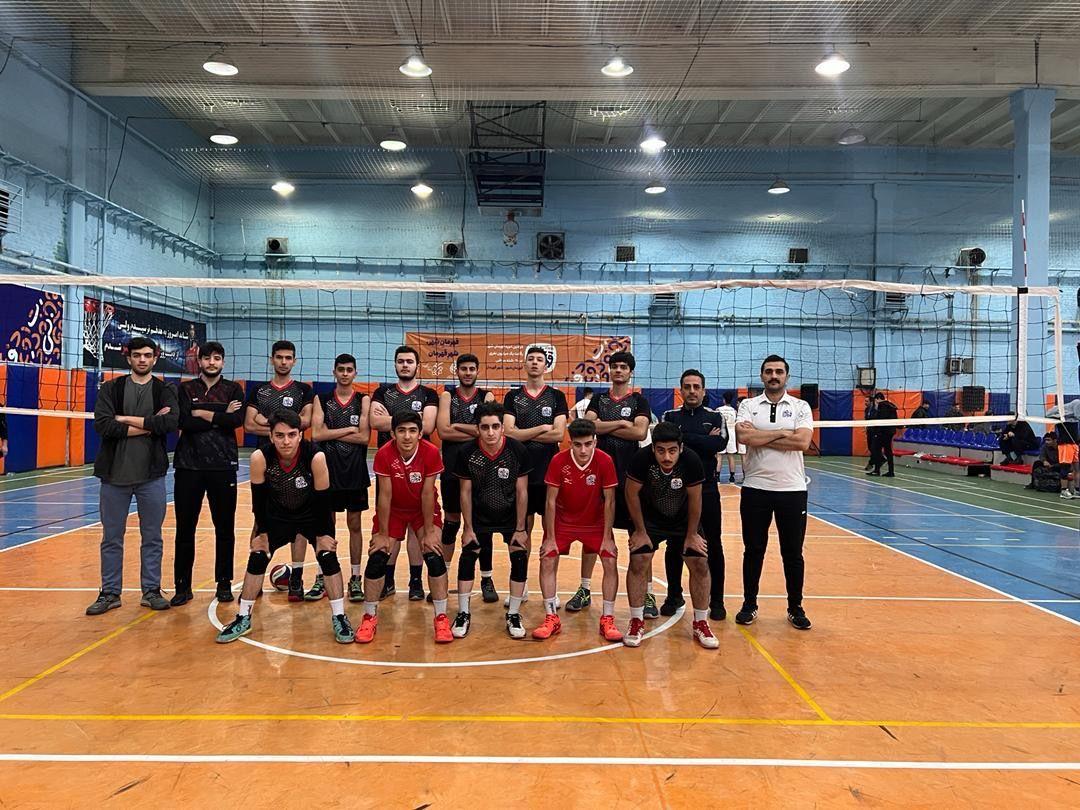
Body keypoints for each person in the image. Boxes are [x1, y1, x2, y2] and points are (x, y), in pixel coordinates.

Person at [216, 410, 353, 644]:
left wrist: (323, 534)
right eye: (279, 435)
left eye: (291, 435)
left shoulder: (315, 457)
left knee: (327, 556)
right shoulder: (260, 457)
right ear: (271, 436)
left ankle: (340, 616)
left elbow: (324, 501)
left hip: (311, 515)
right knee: (258, 556)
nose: (286, 441)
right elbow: (259, 501)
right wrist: (262, 533)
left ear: (300, 435)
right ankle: (243, 617)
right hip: (277, 515)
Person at [86, 337, 179, 616]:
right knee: (111, 538)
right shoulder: (111, 388)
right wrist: (150, 425)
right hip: (114, 476)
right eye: (137, 355)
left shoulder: (164, 390)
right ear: (128, 358)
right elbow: (104, 425)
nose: (142, 360)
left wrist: (124, 418)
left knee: (152, 537)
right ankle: (110, 592)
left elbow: (170, 422)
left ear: (155, 358)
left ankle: (151, 590)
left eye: (147, 355)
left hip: (151, 476)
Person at [354, 411, 451, 644]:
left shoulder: (430, 452)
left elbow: (428, 494)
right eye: (401, 431)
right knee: (377, 558)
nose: (407, 436)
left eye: (412, 431)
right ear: (392, 433)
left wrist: (429, 533)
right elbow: (384, 495)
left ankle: (441, 618)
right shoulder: (384, 453)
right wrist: (383, 535)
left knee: (434, 555)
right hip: (394, 510)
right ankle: (369, 617)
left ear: (420, 433)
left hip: (422, 509)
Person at [734, 354, 814, 631]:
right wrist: (783, 433)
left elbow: (802, 442)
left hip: (792, 490)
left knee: (792, 553)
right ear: (762, 376)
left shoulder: (801, 406)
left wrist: (762, 435)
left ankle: (795, 607)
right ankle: (749, 604)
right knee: (753, 550)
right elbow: (744, 437)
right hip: (755, 488)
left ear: (786, 376)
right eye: (769, 371)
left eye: (779, 371)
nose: (773, 376)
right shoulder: (748, 405)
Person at [624, 422, 718, 649]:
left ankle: (701, 622)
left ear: (681, 448)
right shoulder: (641, 459)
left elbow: (696, 499)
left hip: (683, 519)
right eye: (661, 451)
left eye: (672, 451)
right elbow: (631, 494)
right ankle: (636, 621)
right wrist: (640, 531)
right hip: (650, 518)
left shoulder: (691, 461)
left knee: (700, 563)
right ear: (653, 448)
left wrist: (692, 534)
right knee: (639, 559)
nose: (667, 457)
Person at [533, 418, 622, 642]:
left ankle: (607, 618)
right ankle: (551, 617)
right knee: (547, 558)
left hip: (594, 522)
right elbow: (550, 501)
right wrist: (550, 537)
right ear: (570, 443)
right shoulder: (558, 460)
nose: (583, 450)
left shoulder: (605, 460)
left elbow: (610, 501)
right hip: (563, 521)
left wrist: (607, 537)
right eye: (578, 444)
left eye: (588, 444)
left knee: (610, 558)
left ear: (595, 442)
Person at [575, 351, 650, 615]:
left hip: (630, 479)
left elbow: (639, 431)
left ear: (630, 372)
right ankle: (585, 588)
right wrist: (620, 422)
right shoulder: (598, 399)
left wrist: (604, 425)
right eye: (615, 366)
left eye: (623, 367)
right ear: (610, 370)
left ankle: (648, 594)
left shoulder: (639, 400)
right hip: (599, 478)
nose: (618, 370)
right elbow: (588, 427)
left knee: (639, 535)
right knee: (592, 535)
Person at [172, 341, 245, 606]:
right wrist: (220, 414)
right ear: (199, 361)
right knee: (185, 529)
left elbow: (236, 421)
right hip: (188, 466)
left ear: (222, 362)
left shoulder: (233, 389)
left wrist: (201, 412)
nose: (211, 362)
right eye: (207, 358)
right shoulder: (185, 389)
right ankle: (182, 586)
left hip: (222, 465)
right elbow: (183, 421)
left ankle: (224, 584)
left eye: (216, 358)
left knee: (224, 528)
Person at [452, 402, 532, 639]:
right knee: (468, 556)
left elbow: (522, 492)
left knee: (519, 555)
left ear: (502, 428)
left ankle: (514, 613)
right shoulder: (467, 452)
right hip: (479, 515)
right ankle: (463, 613)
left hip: (510, 515)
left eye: (495, 426)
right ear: (477, 429)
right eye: (485, 427)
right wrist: (467, 528)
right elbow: (464, 492)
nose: (490, 432)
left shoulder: (517, 450)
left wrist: (521, 528)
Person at [243, 339, 315, 602]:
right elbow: (248, 425)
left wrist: (267, 421)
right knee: (259, 520)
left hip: (296, 463)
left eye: (288, 358)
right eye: (279, 357)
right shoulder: (259, 390)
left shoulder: (303, 391)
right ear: (271, 359)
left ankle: (296, 579)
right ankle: (255, 578)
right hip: (265, 463)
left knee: (299, 522)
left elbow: (305, 422)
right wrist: (281, 429)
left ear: (294, 361)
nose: (284, 362)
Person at [369, 345, 439, 602]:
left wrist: (392, 418)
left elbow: (428, 426)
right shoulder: (382, 392)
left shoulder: (429, 393)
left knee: (415, 529)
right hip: (390, 466)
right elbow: (374, 422)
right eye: (401, 361)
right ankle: (387, 581)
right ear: (395, 364)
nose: (405, 365)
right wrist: (411, 418)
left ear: (417, 365)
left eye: (410, 361)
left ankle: (415, 581)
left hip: (419, 466)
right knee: (388, 524)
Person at [503, 345, 569, 605]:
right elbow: (508, 433)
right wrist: (542, 427)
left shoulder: (557, 396)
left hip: (550, 473)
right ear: (525, 364)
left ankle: (550, 591)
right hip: (520, 473)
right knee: (521, 530)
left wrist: (525, 432)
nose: (534, 362)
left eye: (539, 359)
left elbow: (559, 434)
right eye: (530, 358)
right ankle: (521, 586)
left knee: (551, 533)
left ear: (546, 366)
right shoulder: (513, 396)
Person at [661, 370, 728, 620]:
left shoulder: (715, 416)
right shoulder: (670, 416)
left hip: (707, 490)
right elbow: (666, 443)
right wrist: (702, 440)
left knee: (714, 545)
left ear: (703, 390)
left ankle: (717, 600)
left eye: (696, 387)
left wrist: (683, 439)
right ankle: (674, 595)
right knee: (674, 544)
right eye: (687, 387)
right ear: (680, 390)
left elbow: (719, 444)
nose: (691, 391)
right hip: (675, 490)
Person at [311, 353, 371, 603]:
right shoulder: (322, 399)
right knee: (326, 526)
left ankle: (355, 578)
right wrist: (348, 429)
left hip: (355, 472)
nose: (345, 373)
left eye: (349, 370)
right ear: (334, 372)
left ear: (355, 373)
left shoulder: (363, 400)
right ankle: (323, 576)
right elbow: (316, 434)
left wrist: (330, 432)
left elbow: (364, 437)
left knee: (355, 525)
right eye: (341, 369)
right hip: (328, 473)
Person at [436, 353, 495, 601]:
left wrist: (457, 426)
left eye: (472, 368)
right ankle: (443, 577)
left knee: (483, 524)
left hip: (481, 469)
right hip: (452, 468)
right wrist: (474, 431)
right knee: (451, 522)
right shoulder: (447, 396)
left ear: (477, 371)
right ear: (457, 371)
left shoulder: (487, 397)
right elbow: (443, 431)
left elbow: (488, 433)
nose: (468, 372)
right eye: (463, 369)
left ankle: (487, 579)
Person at [867, 391, 898, 477]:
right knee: (888, 451)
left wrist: (875, 430)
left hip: (882, 432)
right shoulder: (891, 406)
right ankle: (891, 471)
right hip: (890, 432)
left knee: (876, 450)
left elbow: (880, 420)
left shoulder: (882, 406)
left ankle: (877, 470)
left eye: (875, 401)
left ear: (877, 399)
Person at [717, 393, 741, 483]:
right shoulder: (734, 411)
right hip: (731, 434)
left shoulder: (718, 410)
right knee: (731, 456)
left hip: (722, 434)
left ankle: (717, 477)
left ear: (724, 400)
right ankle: (732, 477)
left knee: (719, 456)